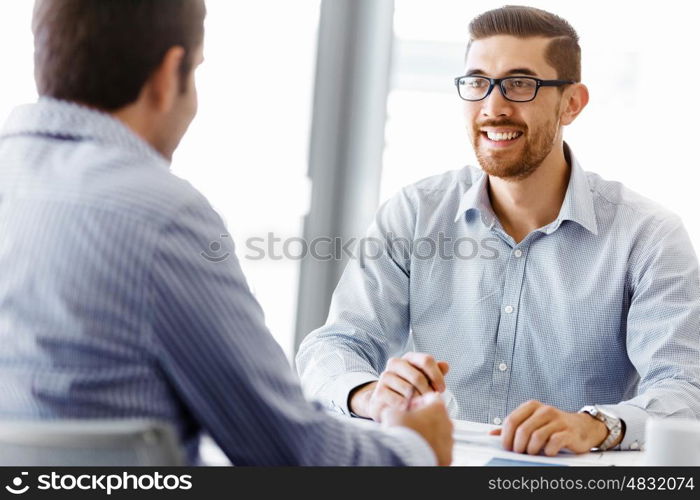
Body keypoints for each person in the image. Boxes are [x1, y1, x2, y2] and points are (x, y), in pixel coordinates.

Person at [0, 0, 453, 466]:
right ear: (168, 74)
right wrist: (414, 446)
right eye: (195, 72)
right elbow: (286, 451)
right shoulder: (160, 215)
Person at [296, 5, 700, 457]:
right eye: (477, 83)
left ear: (572, 103)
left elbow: (686, 390)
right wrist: (371, 394)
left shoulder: (648, 236)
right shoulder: (414, 212)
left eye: (520, 84)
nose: (493, 107)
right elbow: (334, 346)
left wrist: (595, 425)